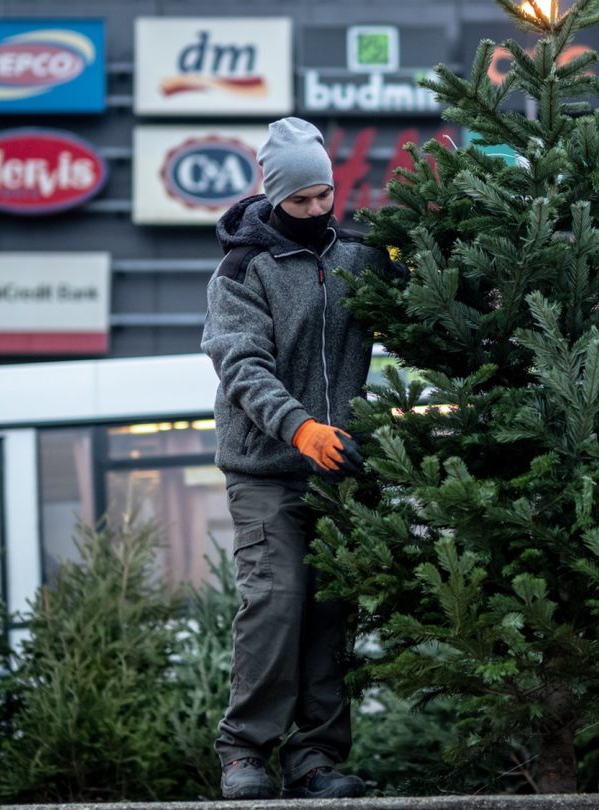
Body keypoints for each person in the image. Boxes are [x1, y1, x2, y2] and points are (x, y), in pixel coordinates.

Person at [200, 117, 384, 801]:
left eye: (323, 196)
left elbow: (427, 302)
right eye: (300, 200)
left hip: (339, 471)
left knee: (330, 610)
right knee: (276, 599)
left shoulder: (360, 253)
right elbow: (242, 366)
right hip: (265, 467)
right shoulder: (242, 269)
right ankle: (246, 752)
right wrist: (299, 427)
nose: (314, 211)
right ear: (274, 196)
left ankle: (315, 760)